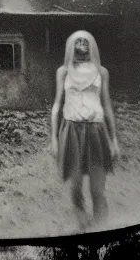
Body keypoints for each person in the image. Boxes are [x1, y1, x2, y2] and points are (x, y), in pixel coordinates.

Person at [51, 30, 120, 231]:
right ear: (70, 45)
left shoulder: (101, 72)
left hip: (96, 132)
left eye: (85, 41)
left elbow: (107, 106)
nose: (82, 44)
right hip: (71, 131)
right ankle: (82, 227)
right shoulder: (63, 72)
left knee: (97, 190)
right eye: (77, 41)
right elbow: (56, 105)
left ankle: (100, 228)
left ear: (92, 45)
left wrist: (114, 139)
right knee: (75, 188)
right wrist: (54, 139)